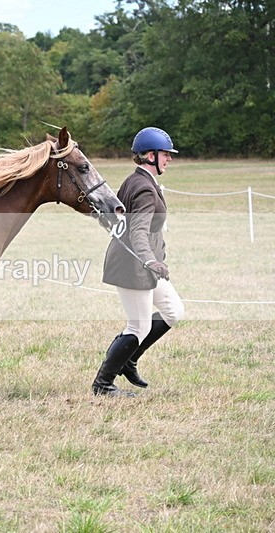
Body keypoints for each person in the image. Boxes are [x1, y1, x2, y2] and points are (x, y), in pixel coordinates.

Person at [93, 127, 185, 396]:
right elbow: (138, 231)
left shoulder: (135, 180)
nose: (169, 159)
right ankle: (103, 384)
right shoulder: (144, 188)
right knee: (139, 326)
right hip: (134, 266)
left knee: (174, 311)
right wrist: (149, 260)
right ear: (149, 155)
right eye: (165, 154)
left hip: (141, 264)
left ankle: (128, 361)